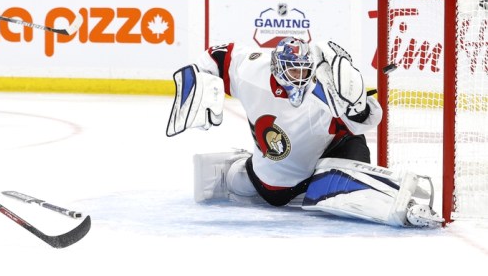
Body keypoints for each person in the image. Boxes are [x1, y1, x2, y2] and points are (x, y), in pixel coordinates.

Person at [166, 36, 444, 228]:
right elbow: (218, 56)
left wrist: (358, 104)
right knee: (272, 194)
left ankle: (399, 207)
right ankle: (245, 169)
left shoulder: (324, 89)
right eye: (293, 72)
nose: (300, 78)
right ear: (276, 67)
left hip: (332, 145)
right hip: (282, 172)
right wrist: (197, 78)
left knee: (351, 170)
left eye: (304, 71)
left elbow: (362, 121)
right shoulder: (252, 69)